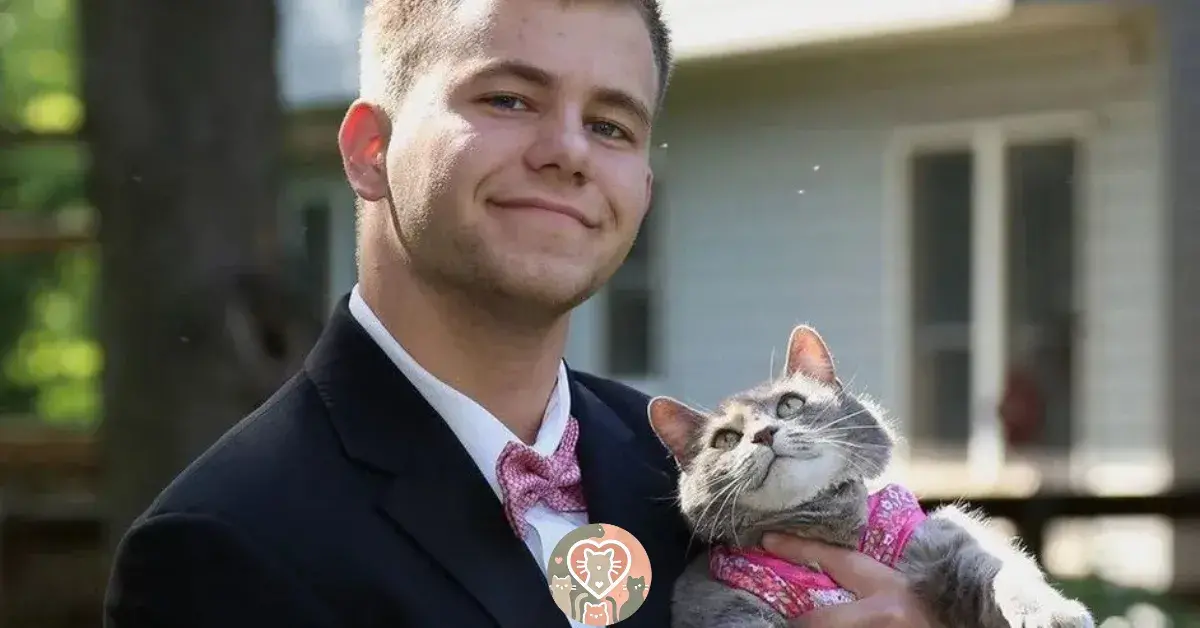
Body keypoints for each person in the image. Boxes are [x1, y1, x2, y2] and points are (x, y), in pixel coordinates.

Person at [103, 0, 938, 626]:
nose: (569, 152)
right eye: (507, 99)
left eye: (610, 125)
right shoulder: (221, 547)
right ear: (369, 151)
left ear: (642, 191)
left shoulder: (698, 480)